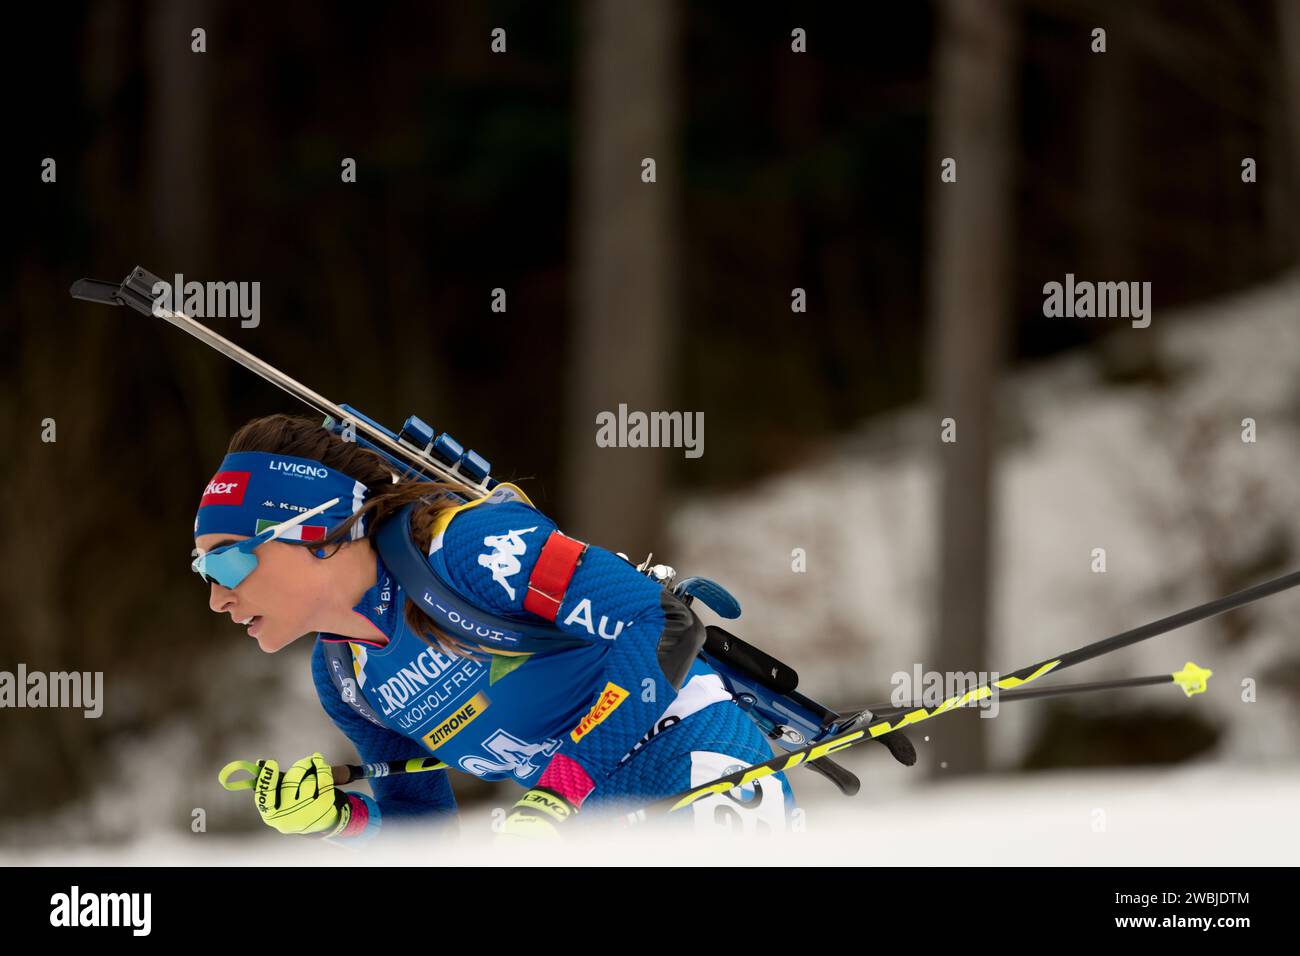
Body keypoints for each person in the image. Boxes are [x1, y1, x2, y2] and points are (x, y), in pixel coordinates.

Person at [194, 413, 795, 844]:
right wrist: (339, 820)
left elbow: (660, 618)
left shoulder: (466, 549)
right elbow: (425, 833)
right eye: (203, 570)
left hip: (687, 755)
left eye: (227, 558)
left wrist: (562, 783)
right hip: (586, 822)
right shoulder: (344, 677)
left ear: (317, 530)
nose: (218, 597)